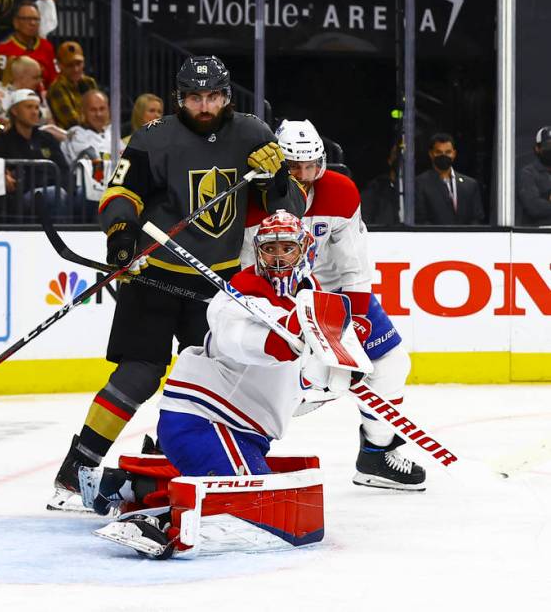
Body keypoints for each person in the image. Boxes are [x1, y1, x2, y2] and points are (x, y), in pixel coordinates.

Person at [48, 56, 304, 510]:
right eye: (194, 97)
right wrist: (122, 240)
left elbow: (288, 210)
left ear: (226, 97)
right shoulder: (152, 138)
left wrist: (277, 176)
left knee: (206, 383)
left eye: (212, 97)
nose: (204, 106)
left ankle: (168, 464)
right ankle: (76, 473)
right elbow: (120, 195)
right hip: (155, 277)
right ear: (179, 98)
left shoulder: (254, 136)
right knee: (137, 375)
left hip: (216, 288)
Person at [83, 212, 331, 556]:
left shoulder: (311, 297)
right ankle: (157, 524)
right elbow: (236, 338)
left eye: (287, 247)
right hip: (203, 421)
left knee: (268, 499)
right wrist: (277, 342)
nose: (277, 256)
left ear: (305, 250)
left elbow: (302, 377)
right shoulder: (242, 293)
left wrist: (336, 372)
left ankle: (135, 486)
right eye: (270, 247)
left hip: (244, 430)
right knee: (256, 510)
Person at [242, 119, 425, 491]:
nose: (305, 175)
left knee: (390, 363)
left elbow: (354, 263)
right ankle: (240, 446)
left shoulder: (340, 191)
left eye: (311, 165)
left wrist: (354, 322)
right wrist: (282, 314)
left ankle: (377, 454)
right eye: (295, 167)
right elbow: (248, 266)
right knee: (279, 381)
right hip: (279, 297)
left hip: (334, 295)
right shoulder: (254, 196)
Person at [0, 88, 68, 196]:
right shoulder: (1, 142)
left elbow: (64, 170)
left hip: (55, 193)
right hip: (21, 199)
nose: (35, 112)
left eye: (36, 108)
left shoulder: (48, 139)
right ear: (14, 111)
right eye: (29, 107)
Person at [414, 132, 485, 225]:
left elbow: (477, 218)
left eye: (448, 152)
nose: (443, 155)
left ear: (454, 154)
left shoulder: (470, 184)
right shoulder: (420, 183)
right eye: (439, 152)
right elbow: (420, 219)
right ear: (431, 154)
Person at [0, 1, 58, 88]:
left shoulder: (46, 47)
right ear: (15, 22)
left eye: (36, 19)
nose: (32, 23)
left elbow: (53, 80)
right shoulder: (2, 49)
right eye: (27, 19)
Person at [47, 40, 97, 130]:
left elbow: (102, 112)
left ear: (84, 62)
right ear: (59, 65)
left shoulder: (89, 82)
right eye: (69, 65)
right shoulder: (57, 88)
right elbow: (73, 122)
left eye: (79, 63)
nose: (76, 69)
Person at [61, 89, 116, 164]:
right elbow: (94, 162)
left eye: (102, 109)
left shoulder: (112, 131)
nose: (98, 114)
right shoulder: (77, 134)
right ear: (83, 111)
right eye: (93, 110)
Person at [360, 142, 402, 226]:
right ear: (390, 160)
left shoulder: (419, 187)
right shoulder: (375, 189)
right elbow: (365, 223)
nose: (402, 159)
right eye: (397, 154)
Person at [516, 126, 551, 226]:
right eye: (548, 146)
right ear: (537, 148)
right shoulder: (527, 173)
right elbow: (534, 207)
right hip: (535, 236)